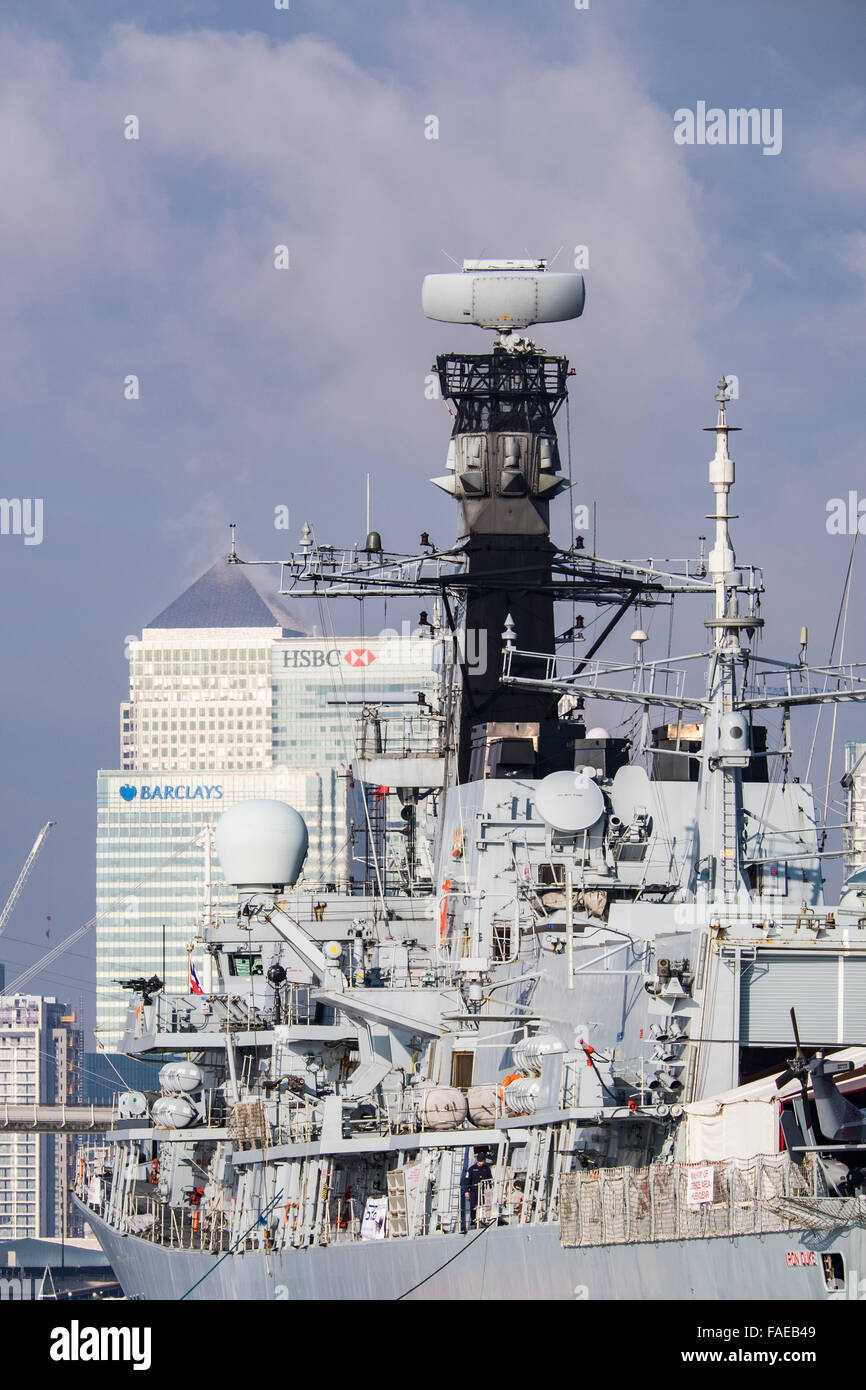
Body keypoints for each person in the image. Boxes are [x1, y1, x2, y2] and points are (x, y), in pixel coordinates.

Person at [462, 1151, 493, 1230]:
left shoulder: (486, 1169)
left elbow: (490, 1180)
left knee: (483, 1205)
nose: (480, 1163)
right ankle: (473, 1221)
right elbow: (467, 1181)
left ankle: (483, 1219)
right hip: (474, 1191)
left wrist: (491, 1189)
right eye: (479, 1162)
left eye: (482, 1162)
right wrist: (466, 1191)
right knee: (473, 1206)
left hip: (483, 1191)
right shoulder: (472, 1169)